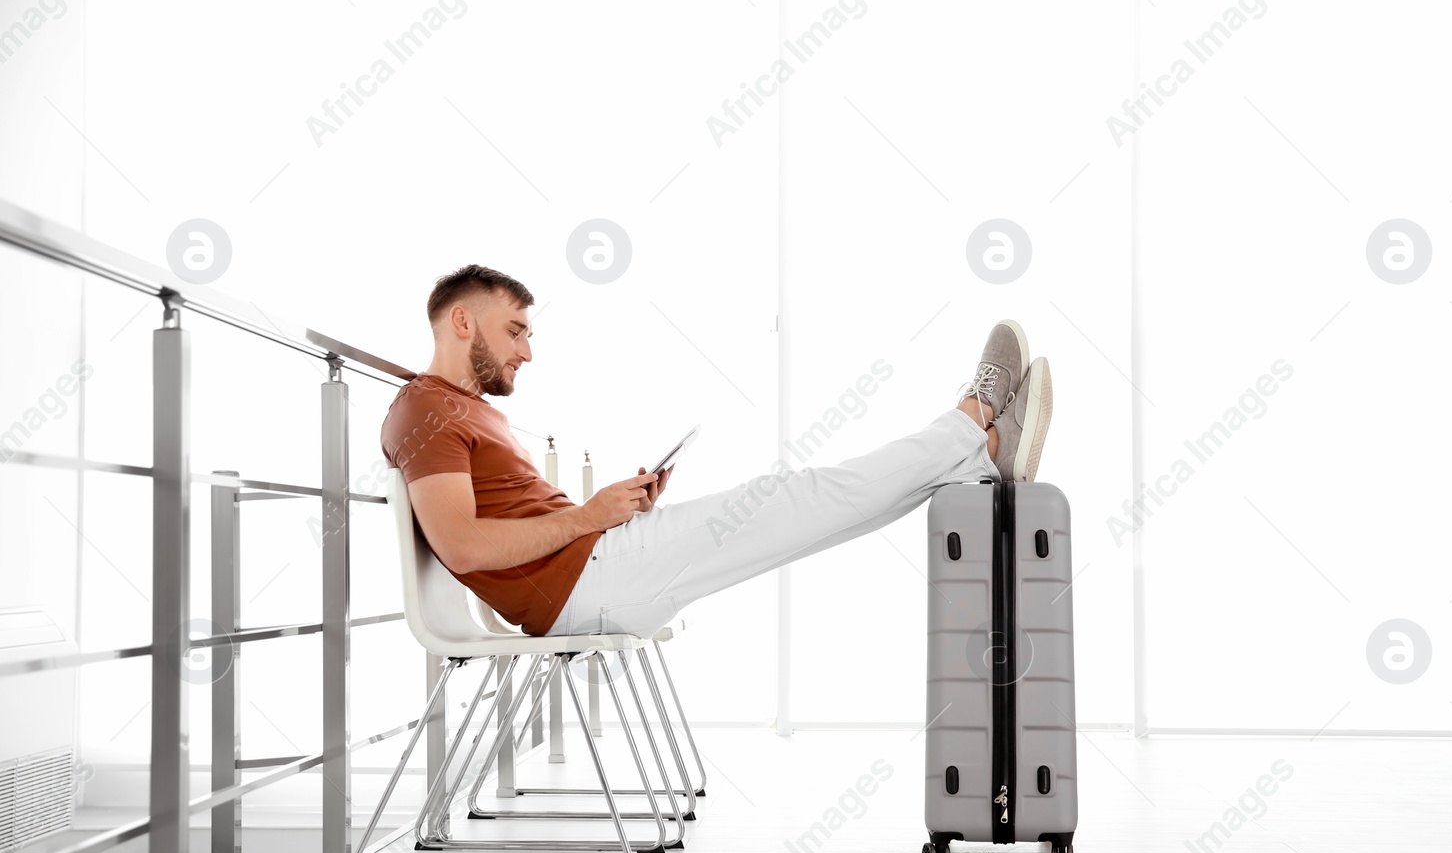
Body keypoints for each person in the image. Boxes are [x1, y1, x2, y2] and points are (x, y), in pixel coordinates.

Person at [380, 264, 1053, 638]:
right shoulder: (425, 409)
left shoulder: (466, 412)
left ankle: (978, 450)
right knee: (804, 497)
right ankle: (973, 424)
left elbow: (508, 524)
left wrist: (618, 507)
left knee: (814, 516)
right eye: (515, 331)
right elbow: (463, 546)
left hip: (599, 568)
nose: (528, 350)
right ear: (461, 321)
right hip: (590, 580)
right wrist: (592, 516)